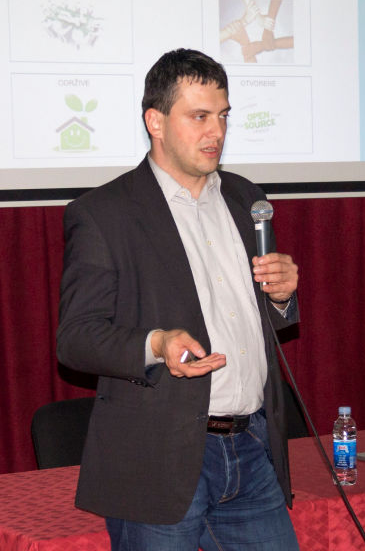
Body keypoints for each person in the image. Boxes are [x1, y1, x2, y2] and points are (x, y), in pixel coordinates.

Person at [56, 48, 301, 550]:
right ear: (156, 122)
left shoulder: (245, 198)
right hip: (159, 456)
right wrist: (156, 343)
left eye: (223, 116)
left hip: (251, 447)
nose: (217, 132)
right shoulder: (104, 213)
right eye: (199, 117)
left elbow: (254, 318)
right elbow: (76, 338)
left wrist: (281, 296)